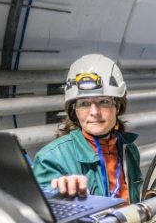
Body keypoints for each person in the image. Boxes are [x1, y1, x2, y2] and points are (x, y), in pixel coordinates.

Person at [33, 54, 143, 204]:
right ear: (74, 110)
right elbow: (42, 211)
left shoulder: (128, 149)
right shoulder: (51, 158)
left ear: (117, 106)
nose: (94, 112)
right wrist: (59, 195)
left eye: (103, 102)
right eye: (84, 104)